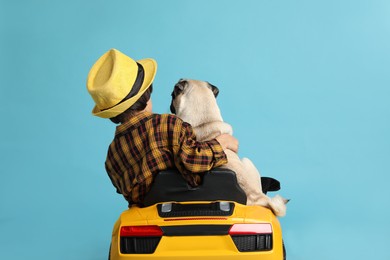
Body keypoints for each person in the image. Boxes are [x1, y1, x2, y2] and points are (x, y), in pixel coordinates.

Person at [86, 49, 239, 206]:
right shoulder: (168, 125)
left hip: (148, 217)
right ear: (146, 95)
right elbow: (194, 161)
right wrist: (222, 143)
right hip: (191, 208)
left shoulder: (112, 156)